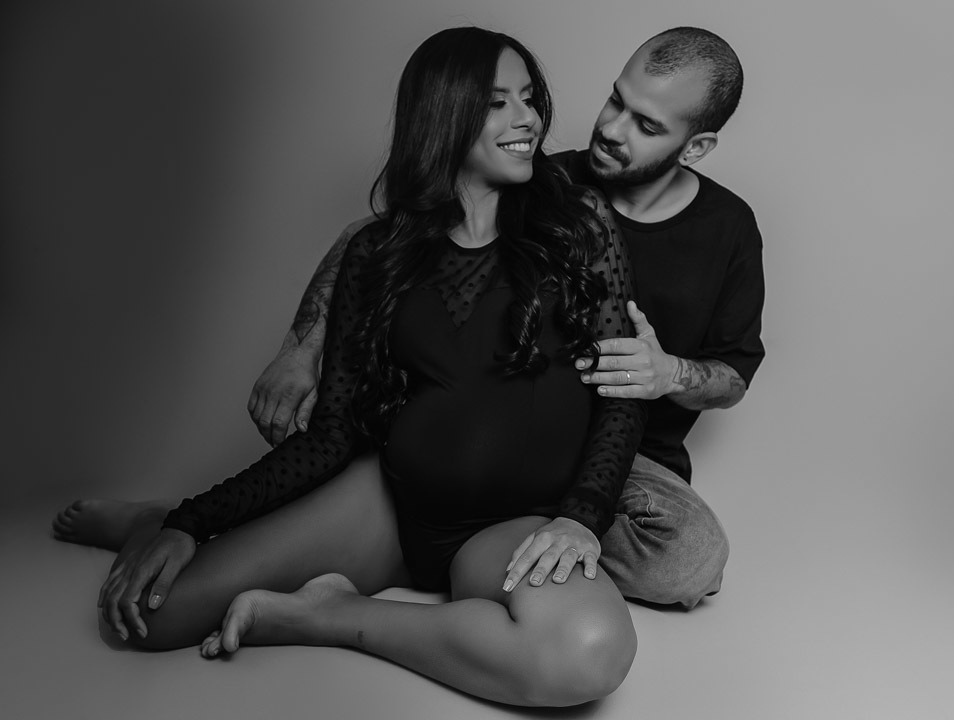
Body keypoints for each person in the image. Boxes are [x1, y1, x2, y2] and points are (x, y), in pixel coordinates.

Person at [54, 27, 646, 707]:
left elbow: (623, 396)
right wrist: (189, 521)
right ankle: (155, 521)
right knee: (149, 618)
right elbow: (333, 433)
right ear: (444, 113)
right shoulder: (377, 253)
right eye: (496, 102)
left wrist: (579, 518)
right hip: (387, 509)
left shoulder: (578, 226)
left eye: (529, 98)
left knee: (585, 655)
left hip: (509, 530)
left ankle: (328, 615)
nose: (528, 119)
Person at [247, 27, 766, 609]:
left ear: (695, 148)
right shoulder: (541, 178)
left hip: (620, 448)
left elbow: (734, 376)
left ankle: (507, 534)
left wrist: (668, 373)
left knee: (691, 558)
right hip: (488, 416)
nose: (612, 129)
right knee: (330, 416)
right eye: (616, 100)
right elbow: (378, 239)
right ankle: (433, 516)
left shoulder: (729, 228)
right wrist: (300, 350)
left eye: (646, 125)